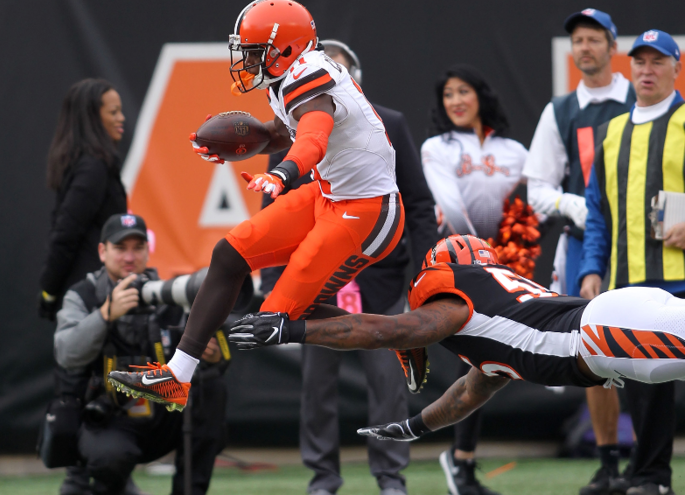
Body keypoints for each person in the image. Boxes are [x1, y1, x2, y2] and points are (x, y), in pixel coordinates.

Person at [107, 0, 404, 417]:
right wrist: (239, 145)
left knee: (275, 319)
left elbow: (313, 138)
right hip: (329, 195)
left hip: (367, 210)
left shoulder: (311, 76)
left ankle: (398, 335)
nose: (245, 60)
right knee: (230, 255)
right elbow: (284, 132)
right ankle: (177, 375)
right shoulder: (292, 75)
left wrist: (281, 175)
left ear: (283, 48)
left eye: (252, 51)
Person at [228, 234, 685, 464]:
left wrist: (291, 331)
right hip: (618, 323)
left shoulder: (455, 299)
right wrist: (412, 426)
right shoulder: (496, 328)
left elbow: (386, 332)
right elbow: (465, 396)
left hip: (605, 334)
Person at [259, 39, 438, 495]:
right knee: (316, 388)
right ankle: (323, 476)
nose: (321, 84)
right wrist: (272, 280)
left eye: (333, 73)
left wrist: (425, 272)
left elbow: (417, 203)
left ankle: (390, 475)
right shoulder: (290, 131)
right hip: (317, 278)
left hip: (379, 275)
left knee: (387, 384)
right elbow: (273, 212)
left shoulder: (388, 124)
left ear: (352, 81)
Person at [522, 8, 636, 495]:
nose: (585, 47)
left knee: (650, 348)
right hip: (585, 248)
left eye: (593, 39)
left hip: (642, 248)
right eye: (578, 40)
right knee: (598, 357)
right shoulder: (560, 110)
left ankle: (651, 462)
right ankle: (609, 460)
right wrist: (580, 207)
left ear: (613, 46)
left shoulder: (641, 99)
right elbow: (537, 188)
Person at [578, 29, 685, 495]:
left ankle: (649, 476)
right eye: (639, 62)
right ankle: (650, 477)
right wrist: (591, 269)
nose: (647, 70)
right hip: (630, 283)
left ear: (675, 69)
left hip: (681, 278)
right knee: (645, 388)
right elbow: (597, 212)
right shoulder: (610, 132)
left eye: (657, 62)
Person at [55, 214, 228, 495]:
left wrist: (212, 357)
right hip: (108, 415)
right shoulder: (84, 295)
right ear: (103, 251)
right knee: (110, 459)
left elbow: (215, 360)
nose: (129, 256)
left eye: (138, 247)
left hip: (161, 410)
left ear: (148, 251)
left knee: (211, 390)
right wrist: (105, 314)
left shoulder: (164, 294)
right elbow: (66, 353)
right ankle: (110, 484)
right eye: (120, 248)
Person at [420, 65, 526, 495]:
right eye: (448, 94)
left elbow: (528, 205)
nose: (456, 101)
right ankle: (460, 461)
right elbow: (449, 204)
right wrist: (483, 255)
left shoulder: (514, 150)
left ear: (481, 95)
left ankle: (462, 461)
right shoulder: (436, 147)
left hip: (506, 265)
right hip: (459, 264)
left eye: (464, 91)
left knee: (491, 357)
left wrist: (510, 254)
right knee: (476, 354)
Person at [39, 78, 129, 494]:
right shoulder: (93, 166)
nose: (121, 118)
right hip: (89, 301)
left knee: (106, 409)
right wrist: (50, 293)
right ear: (92, 119)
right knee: (84, 404)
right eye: (113, 111)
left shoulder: (92, 162)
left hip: (97, 299)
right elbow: (65, 234)